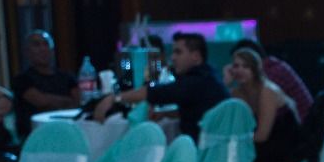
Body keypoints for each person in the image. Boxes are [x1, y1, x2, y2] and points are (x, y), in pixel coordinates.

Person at [97, 31, 228, 142]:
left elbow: (154, 93)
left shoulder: (196, 81)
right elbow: (198, 111)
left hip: (201, 152)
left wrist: (114, 98)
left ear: (196, 56)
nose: (173, 57)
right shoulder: (209, 76)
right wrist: (166, 114)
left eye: (178, 52)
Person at [224, 47, 304, 162]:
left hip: (286, 143)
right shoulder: (237, 93)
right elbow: (223, 118)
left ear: (255, 70)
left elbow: (262, 135)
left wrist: (235, 142)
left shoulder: (267, 90)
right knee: (232, 154)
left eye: (246, 66)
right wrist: (226, 83)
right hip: (265, 142)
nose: (240, 70)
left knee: (243, 155)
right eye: (236, 66)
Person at [9, 30, 78, 139]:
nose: (43, 49)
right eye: (37, 45)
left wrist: (52, 101)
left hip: (67, 133)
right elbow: (41, 101)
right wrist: (66, 101)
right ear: (27, 51)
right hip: (35, 136)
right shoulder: (22, 79)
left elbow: (78, 101)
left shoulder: (67, 77)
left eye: (46, 44)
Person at [234, 37, 313, 118]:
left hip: (304, 124)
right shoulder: (270, 67)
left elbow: (255, 109)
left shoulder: (271, 75)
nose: (238, 71)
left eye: (244, 66)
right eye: (236, 66)